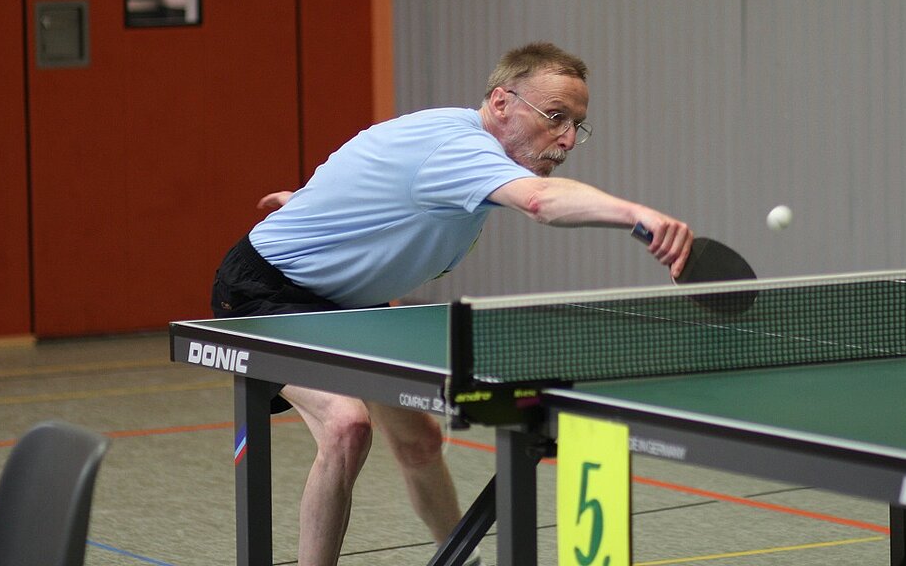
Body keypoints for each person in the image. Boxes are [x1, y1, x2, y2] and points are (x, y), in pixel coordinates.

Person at [211, 42, 694, 566]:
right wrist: (640, 217)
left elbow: (372, 175)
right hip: (266, 294)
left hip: (352, 306)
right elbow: (540, 201)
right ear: (502, 102)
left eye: (577, 124)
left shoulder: (463, 146)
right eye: (555, 117)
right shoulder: (458, 148)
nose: (568, 138)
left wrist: (310, 207)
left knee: (419, 441)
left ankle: (460, 558)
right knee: (346, 426)